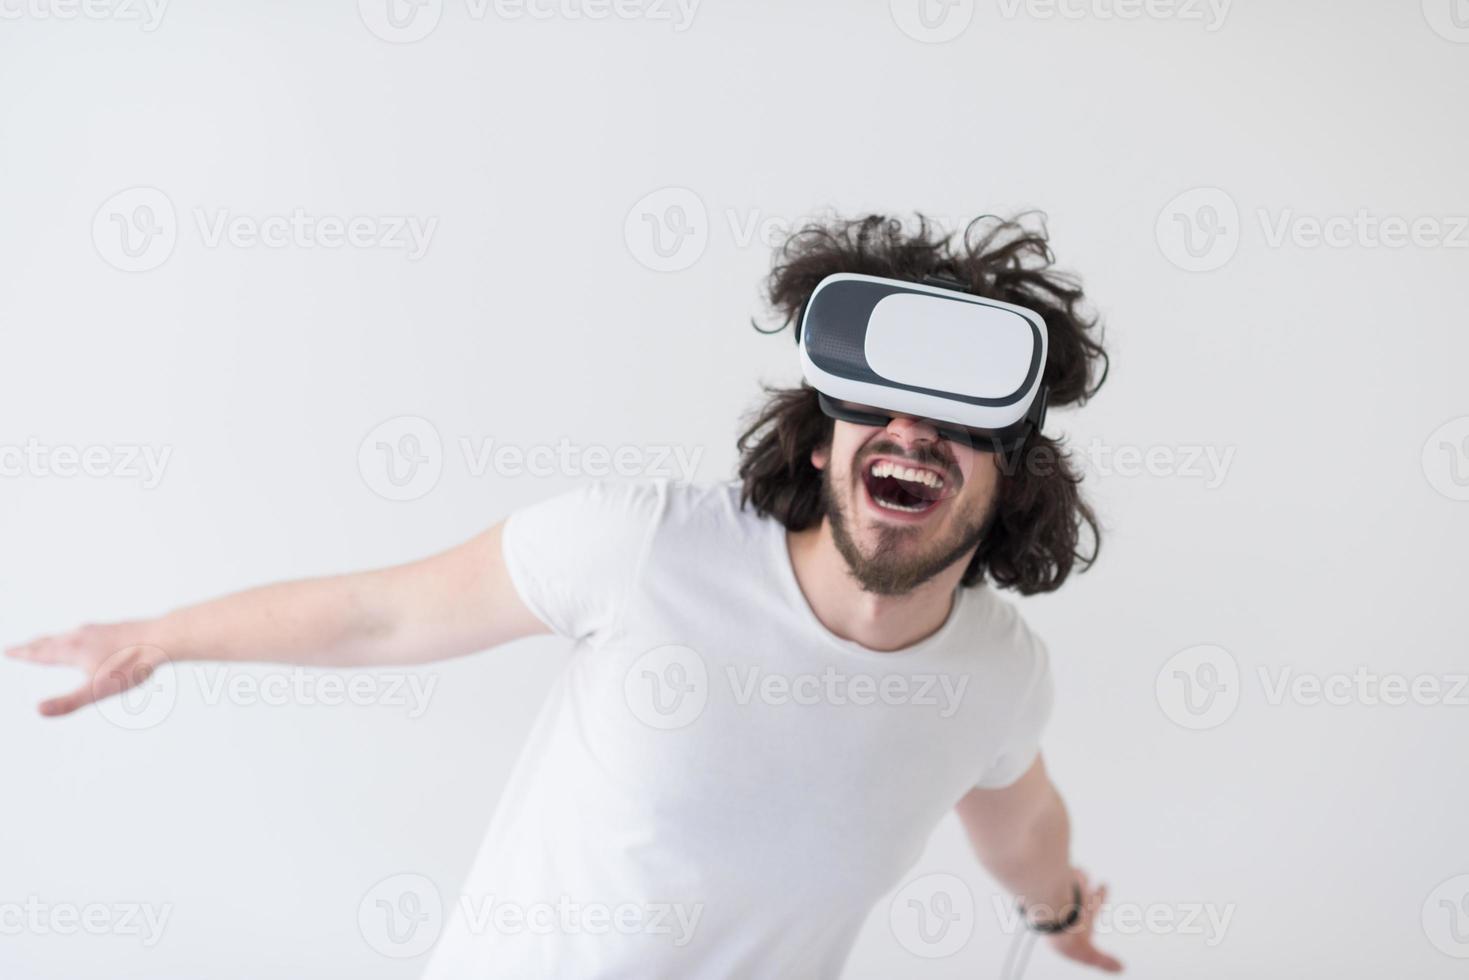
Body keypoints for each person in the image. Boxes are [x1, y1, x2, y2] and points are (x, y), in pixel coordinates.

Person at [7, 213, 1122, 976]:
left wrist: (1056, 910)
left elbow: (1020, 818)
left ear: (1008, 472)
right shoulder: (643, 546)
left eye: (956, 425)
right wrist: (159, 636)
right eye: (878, 405)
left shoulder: (993, 668)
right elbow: (379, 612)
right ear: (823, 432)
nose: (910, 437)